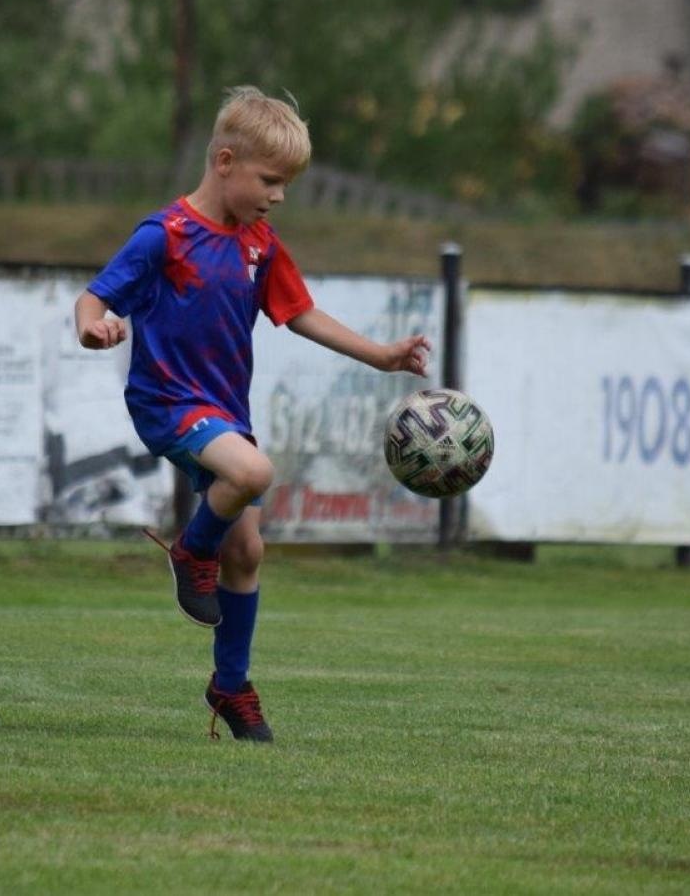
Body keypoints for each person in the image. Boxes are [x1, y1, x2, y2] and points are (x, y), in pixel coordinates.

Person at [75, 86, 429, 741]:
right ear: (226, 161)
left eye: (287, 183)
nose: (279, 195)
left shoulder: (259, 243)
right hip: (168, 404)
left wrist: (380, 356)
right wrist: (93, 329)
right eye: (271, 180)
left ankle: (230, 686)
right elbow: (94, 298)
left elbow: (300, 313)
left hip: (223, 411)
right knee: (254, 474)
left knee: (248, 552)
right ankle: (189, 552)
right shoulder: (166, 236)